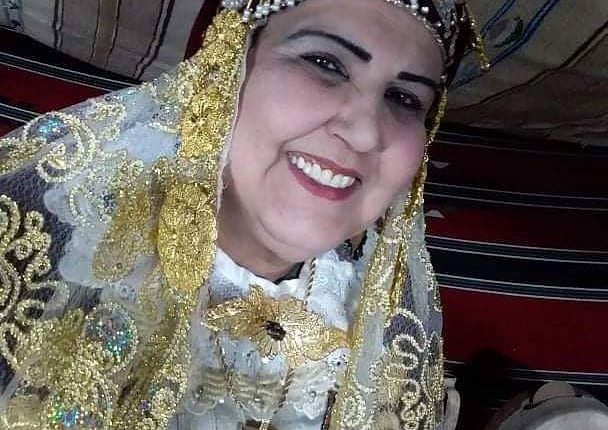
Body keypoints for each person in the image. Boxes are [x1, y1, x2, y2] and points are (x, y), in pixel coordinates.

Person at [0, 0, 485, 428]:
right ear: (228, 64)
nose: (365, 133)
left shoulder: (379, 329)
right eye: (325, 64)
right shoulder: (44, 257)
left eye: (404, 99)